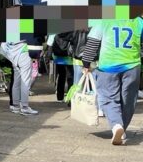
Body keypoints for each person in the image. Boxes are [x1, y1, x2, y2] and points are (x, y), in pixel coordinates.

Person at [81, 17, 143, 145]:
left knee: (108, 98)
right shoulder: (139, 21)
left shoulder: (104, 20)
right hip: (132, 66)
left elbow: (93, 43)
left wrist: (86, 63)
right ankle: (122, 129)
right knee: (129, 99)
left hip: (108, 66)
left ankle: (116, 126)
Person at [0, 41, 37, 116]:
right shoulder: (25, 29)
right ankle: (25, 107)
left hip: (13, 55)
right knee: (25, 81)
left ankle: (16, 106)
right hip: (24, 52)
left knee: (16, 81)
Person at [47, 32, 74, 103]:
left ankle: (60, 97)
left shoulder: (54, 32)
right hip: (68, 56)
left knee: (61, 76)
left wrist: (49, 56)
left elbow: (50, 45)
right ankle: (70, 98)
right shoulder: (71, 31)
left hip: (58, 57)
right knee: (70, 77)